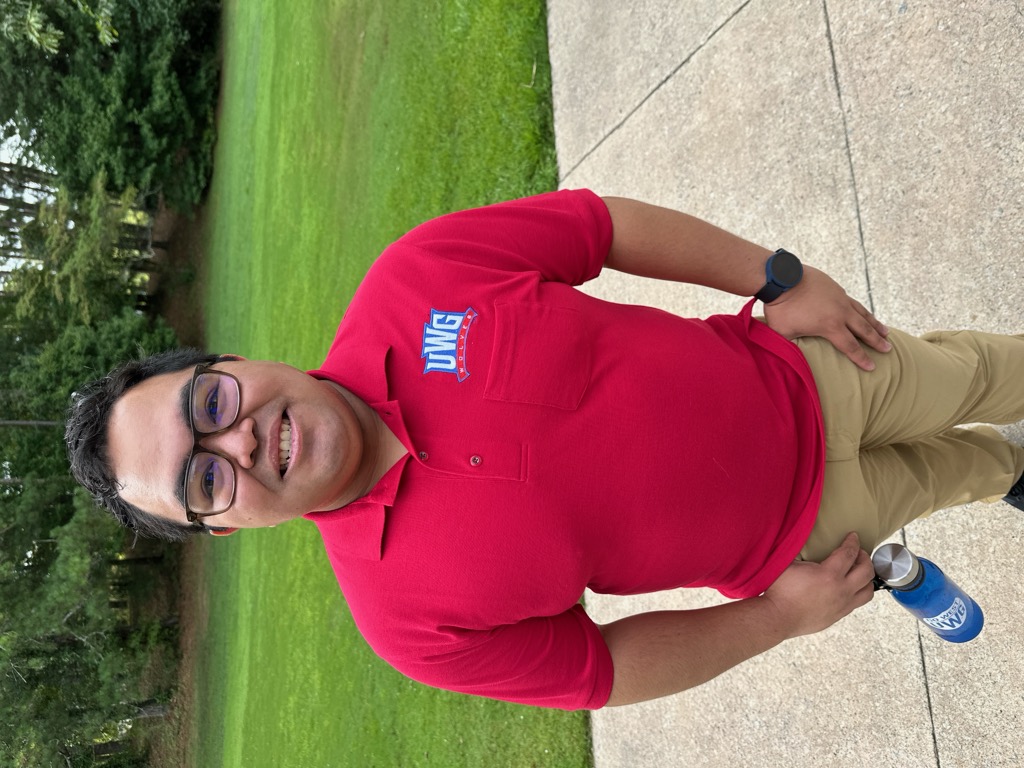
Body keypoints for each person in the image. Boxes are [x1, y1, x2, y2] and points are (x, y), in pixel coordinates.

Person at [65, 190, 1024, 710]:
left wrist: (780, 279)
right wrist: (781, 619)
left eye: (210, 401)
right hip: (811, 541)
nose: (240, 439)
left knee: (980, 376)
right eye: (203, 475)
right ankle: (1008, 476)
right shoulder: (406, 626)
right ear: (221, 526)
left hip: (818, 371)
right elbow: (608, 669)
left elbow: (602, 229)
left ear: (230, 361)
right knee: (967, 474)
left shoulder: (414, 277)